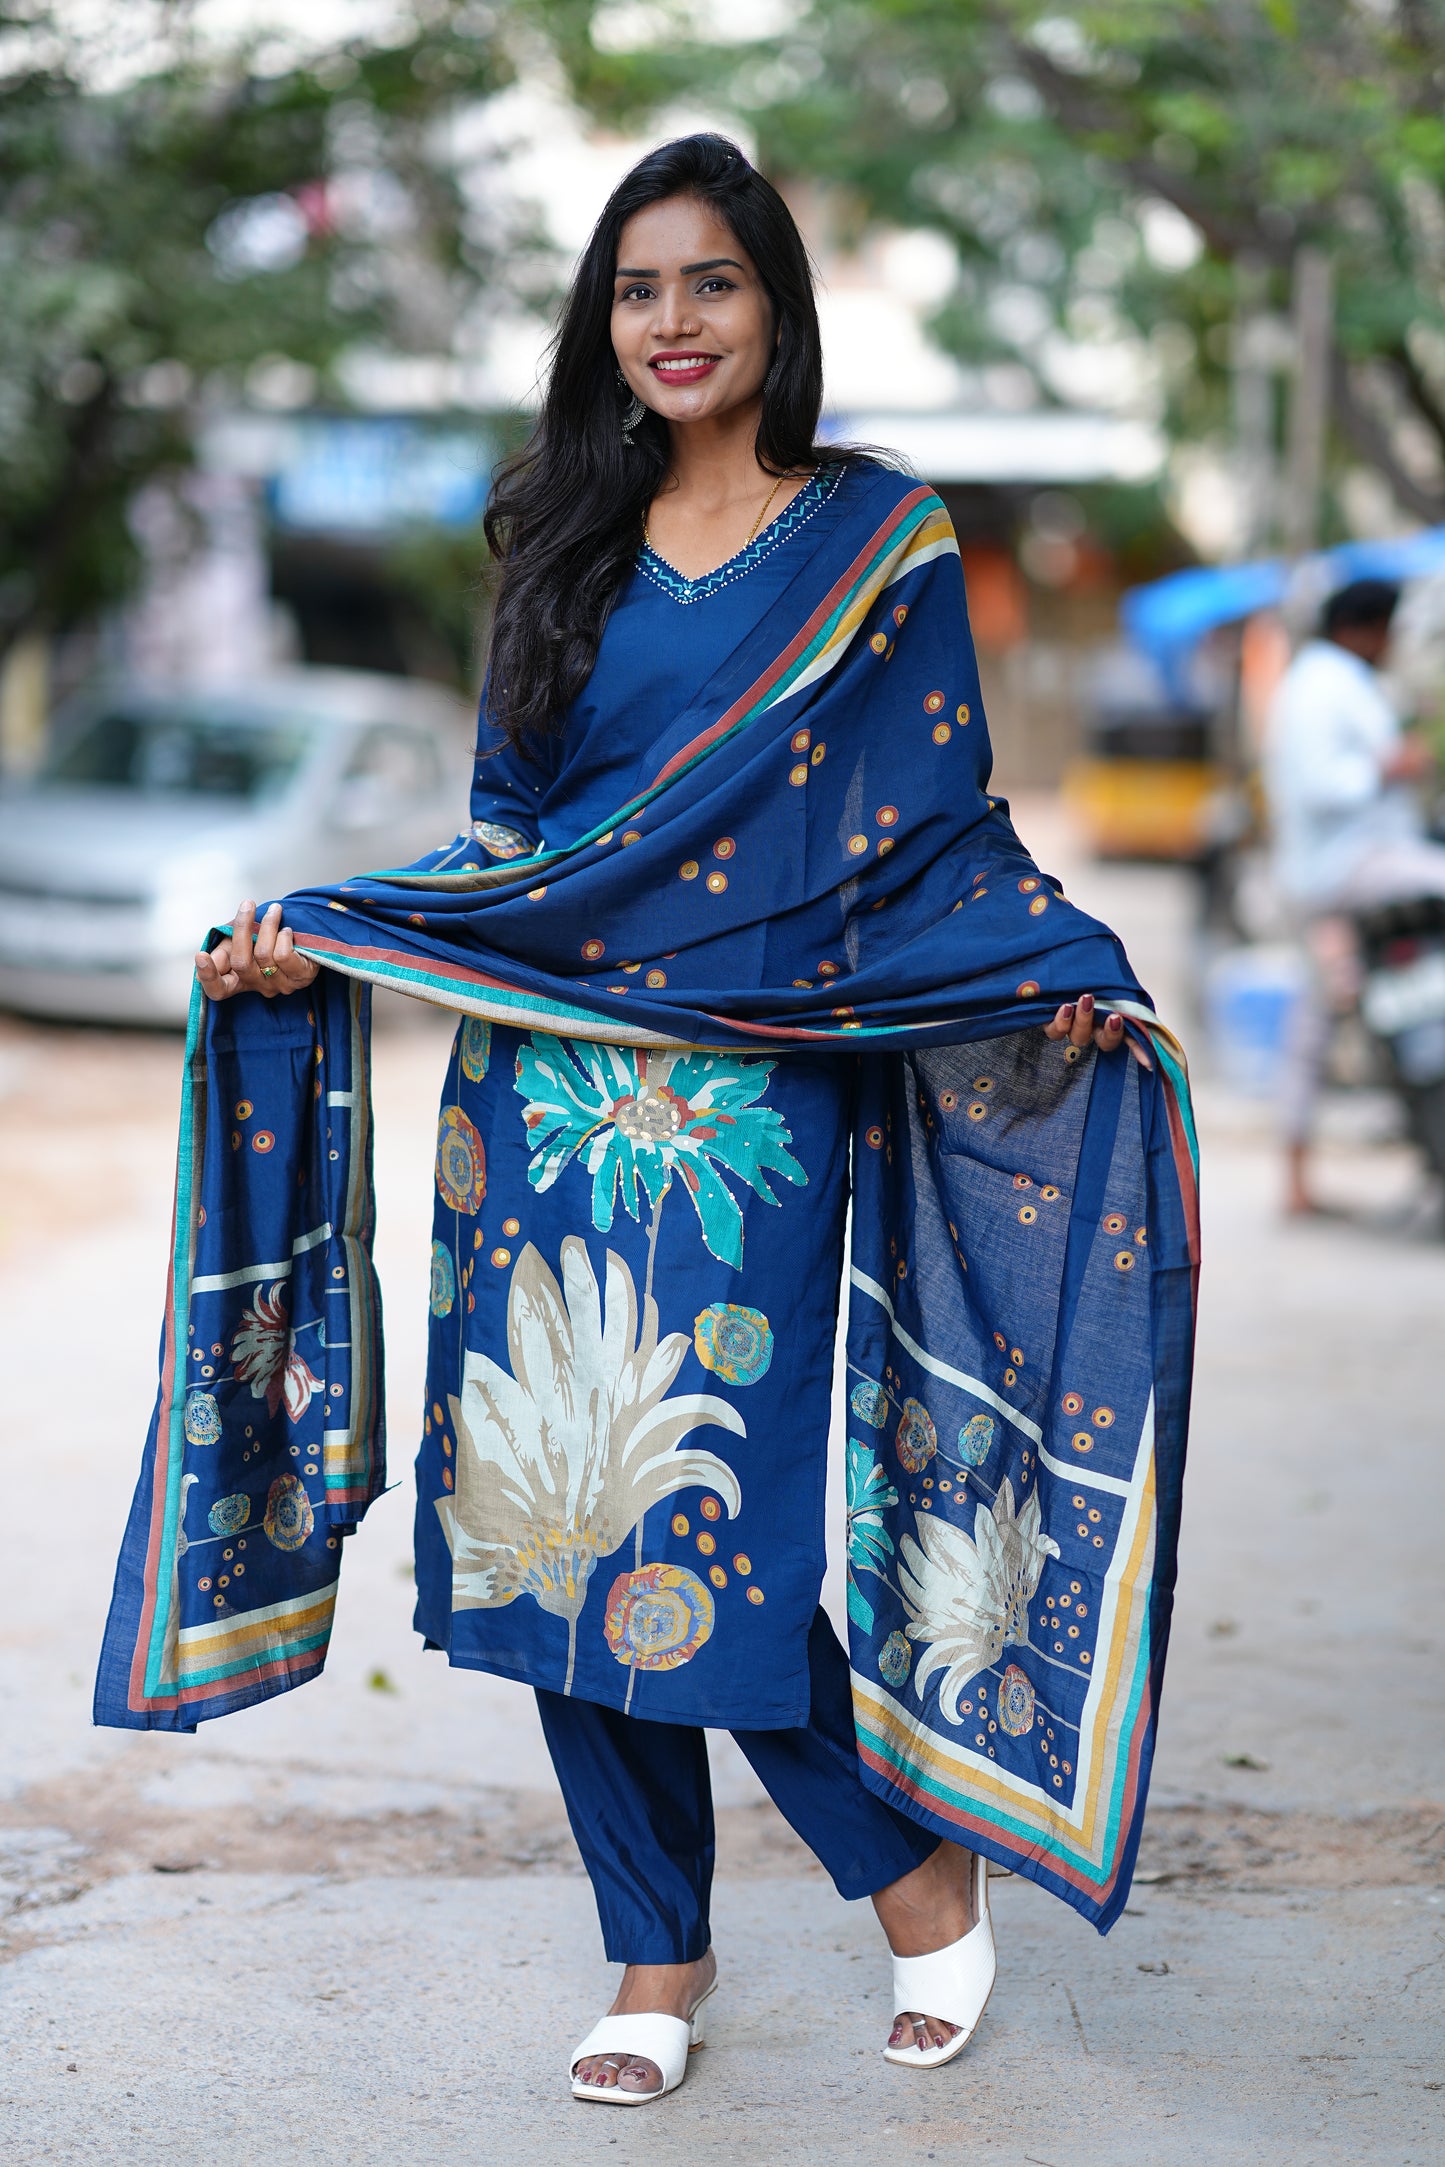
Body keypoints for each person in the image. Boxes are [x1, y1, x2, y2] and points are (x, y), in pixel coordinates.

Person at [98, 136, 1198, 2108]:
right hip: (536, 1104)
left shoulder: (880, 541)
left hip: (750, 1109)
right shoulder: (556, 531)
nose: (670, 323)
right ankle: (652, 1947)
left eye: (707, 283)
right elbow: (513, 832)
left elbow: (933, 826)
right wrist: (325, 942)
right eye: (634, 289)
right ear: (600, 322)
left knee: (722, 1520)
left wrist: (1051, 960)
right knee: (546, 1522)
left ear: (775, 305)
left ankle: (912, 1878)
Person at [1264, 578, 1443, 1214]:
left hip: (1344, 870)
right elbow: (1320, 785)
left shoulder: (1331, 681)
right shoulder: (1324, 684)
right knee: (1315, 1018)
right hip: (1346, 870)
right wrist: (1389, 768)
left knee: (1316, 1018)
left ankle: (1297, 1178)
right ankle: (1295, 1179)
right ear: (1364, 629)